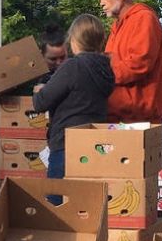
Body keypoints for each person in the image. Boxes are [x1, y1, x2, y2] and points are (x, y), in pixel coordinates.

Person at [31, 14, 114, 179]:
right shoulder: (106, 69)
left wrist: (38, 90)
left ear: (74, 41)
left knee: (56, 203)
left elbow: (40, 103)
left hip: (66, 146)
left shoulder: (73, 67)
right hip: (95, 147)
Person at [98, 0, 162, 123]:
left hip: (138, 118)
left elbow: (138, 64)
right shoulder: (117, 26)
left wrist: (101, 74)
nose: (101, 3)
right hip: (118, 116)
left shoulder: (144, 18)